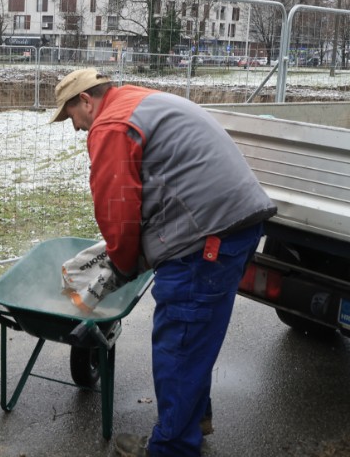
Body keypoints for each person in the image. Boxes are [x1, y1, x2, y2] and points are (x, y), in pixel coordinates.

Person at [50, 69, 277, 457]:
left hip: (205, 237)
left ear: (86, 100)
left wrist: (121, 266)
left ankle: (171, 448)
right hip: (236, 224)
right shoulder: (140, 99)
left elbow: (116, 209)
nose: (75, 127)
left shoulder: (110, 124)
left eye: (72, 116)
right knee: (196, 338)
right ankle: (194, 420)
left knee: (180, 343)